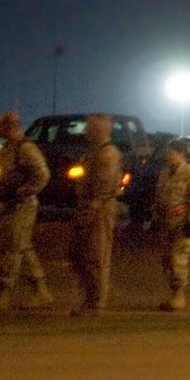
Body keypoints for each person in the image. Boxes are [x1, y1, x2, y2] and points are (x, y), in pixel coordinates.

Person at [0, 111, 54, 311]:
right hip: (10, 204)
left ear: (9, 126)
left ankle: (3, 294)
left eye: (0, 126)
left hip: (20, 206)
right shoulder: (9, 148)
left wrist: (24, 191)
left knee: (13, 250)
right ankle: (41, 290)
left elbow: (42, 174)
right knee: (22, 246)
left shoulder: (25, 148)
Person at [68, 113, 123, 315]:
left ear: (100, 129)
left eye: (90, 128)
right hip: (89, 206)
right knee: (79, 253)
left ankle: (96, 303)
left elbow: (104, 183)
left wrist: (93, 205)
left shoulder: (107, 153)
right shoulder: (94, 152)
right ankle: (90, 298)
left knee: (96, 255)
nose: (86, 132)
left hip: (99, 208)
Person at [151, 142, 190, 311]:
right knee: (167, 260)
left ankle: (178, 296)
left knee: (178, 259)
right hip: (166, 223)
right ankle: (174, 293)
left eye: (172, 153)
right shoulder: (165, 173)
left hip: (183, 223)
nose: (168, 157)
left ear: (181, 154)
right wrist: (155, 216)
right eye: (167, 153)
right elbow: (159, 196)